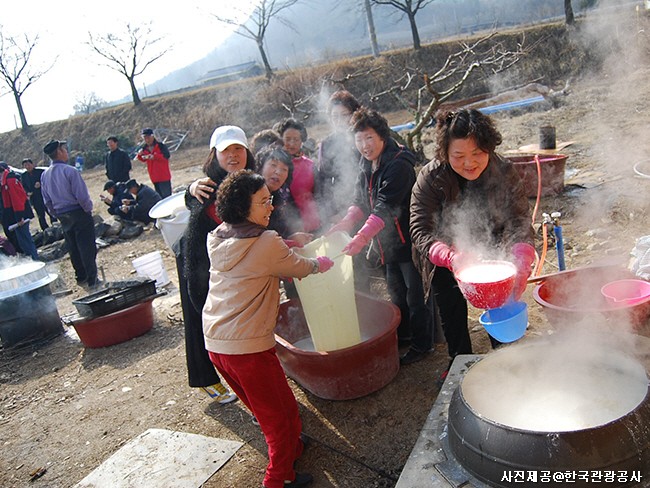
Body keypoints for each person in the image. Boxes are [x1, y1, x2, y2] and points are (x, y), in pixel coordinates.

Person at [203, 169, 333, 488]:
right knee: (277, 419)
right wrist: (320, 265)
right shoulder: (266, 241)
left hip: (217, 343)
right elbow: (296, 266)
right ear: (242, 208)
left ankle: (294, 447)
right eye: (263, 202)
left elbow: (260, 256)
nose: (270, 206)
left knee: (272, 406)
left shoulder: (218, 235)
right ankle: (279, 479)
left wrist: (284, 244)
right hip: (248, 348)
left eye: (270, 199)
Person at [409, 109, 535, 363]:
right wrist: (450, 256)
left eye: (477, 153)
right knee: (452, 314)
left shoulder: (504, 171)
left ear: (489, 148)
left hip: (495, 252)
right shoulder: (431, 177)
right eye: (459, 155)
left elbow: (519, 218)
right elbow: (419, 228)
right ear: (446, 153)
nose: (469, 163)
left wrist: (521, 259)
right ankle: (460, 363)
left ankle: (509, 361)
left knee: (501, 304)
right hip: (446, 259)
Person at [328, 107, 432, 365]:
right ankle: (405, 336)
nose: (364, 145)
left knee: (415, 296)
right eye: (359, 139)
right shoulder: (366, 163)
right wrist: (344, 224)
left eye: (369, 138)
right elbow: (360, 201)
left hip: (409, 241)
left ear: (383, 136)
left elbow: (384, 208)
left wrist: (361, 238)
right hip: (387, 244)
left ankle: (423, 345)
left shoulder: (399, 165)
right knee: (396, 293)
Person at [174, 125, 257, 405]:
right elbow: (195, 204)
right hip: (197, 260)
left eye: (238, 149)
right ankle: (206, 380)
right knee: (202, 317)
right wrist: (189, 189)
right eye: (226, 151)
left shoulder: (248, 181)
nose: (233, 156)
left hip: (227, 259)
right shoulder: (208, 185)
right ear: (215, 155)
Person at [41, 140, 100, 289]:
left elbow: (47, 201)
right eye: (65, 149)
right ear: (60, 152)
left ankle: (80, 277)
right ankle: (92, 279)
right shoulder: (70, 171)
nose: (66, 152)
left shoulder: (45, 175)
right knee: (86, 246)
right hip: (77, 211)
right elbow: (81, 196)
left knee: (73, 246)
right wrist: (87, 209)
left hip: (62, 214)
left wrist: (55, 214)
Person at [316, 90, 362, 227]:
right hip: (340, 207)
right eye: (334, 116)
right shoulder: (327, 144)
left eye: (344, 115)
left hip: (366, 202)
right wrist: (331, 213)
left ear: (354, 114)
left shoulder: (363, 138)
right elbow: (323, 181)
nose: (339, 121)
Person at [278, 119, 320, 233]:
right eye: (287, 139)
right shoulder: (274, 165)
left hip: (311, 223)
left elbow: (319, 195)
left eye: (296, 140)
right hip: (284, 225)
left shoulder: (310, 165)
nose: (291, 143)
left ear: (302, 141)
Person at [0, 162, 38, 260]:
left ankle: (34, 260)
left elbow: (17, 199)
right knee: (21, 241)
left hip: (20, 217)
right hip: (14, 218)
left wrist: (19, 216)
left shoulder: (10, 180)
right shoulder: (4, 181)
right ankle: (30, 259)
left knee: (26, 240)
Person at [136, 128, 172, 198]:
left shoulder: (161, 146)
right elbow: (142, 159)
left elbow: (166, 157)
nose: (147, 140)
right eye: (145, 138)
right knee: (159, 198)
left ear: (152, 136)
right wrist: (139, 155)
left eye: (148, 137)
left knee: (167, 197)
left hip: (163, 176)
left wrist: (154, 156)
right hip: (154, 177)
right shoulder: (144, 148)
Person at [20, 158, 54, 231]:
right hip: (34, 198)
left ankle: (54, 224)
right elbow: (23, 186)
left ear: (32, 164)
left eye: (28, 164)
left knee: (50, 211)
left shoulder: (40, 172)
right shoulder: (24, 175)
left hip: (44, 195)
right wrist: (27, 192)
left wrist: (40, 184)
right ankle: (45, 229)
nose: (27, 167)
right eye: (25, 165)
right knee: (40, 215)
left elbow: (48, 181)